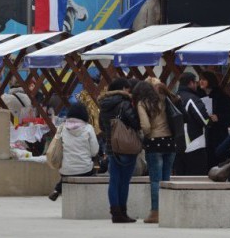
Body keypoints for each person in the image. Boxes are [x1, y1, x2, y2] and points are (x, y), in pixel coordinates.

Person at [132, 80, 176, 224]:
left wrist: (146, 135)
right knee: (166, 179)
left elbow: (145, 126)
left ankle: (156, 212)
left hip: (154, 143)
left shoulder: (142, 103)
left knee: (155, 180)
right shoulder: (165, 99)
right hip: (170, 142)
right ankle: (168, 210)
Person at [98, 78, 140, 223]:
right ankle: (123, 212)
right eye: (128, 88)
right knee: (124, 182)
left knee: (114, 181)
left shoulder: (103, 105)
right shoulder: (125, 103)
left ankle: (115, 212)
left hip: (111, 147)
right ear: (123, 88)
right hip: (126, 146)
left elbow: (102, 127)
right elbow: (135, 122)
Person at [48, 103, 99, 201]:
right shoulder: (88, 128)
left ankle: (57, 190)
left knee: (68, 173)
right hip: (85, 170)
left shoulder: (62, 128)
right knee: (92, 168)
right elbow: (94, 151)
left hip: (65, 170)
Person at [198, 70, 230, 168]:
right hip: (203, 133)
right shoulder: (198, 95)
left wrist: (219, 117)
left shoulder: (222, 96)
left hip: (218, 133)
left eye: (203, 79)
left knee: (217, 158)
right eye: (200, 79)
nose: (200, 82)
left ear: (210, 81)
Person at [175, 72, 210, 175]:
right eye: (195, 82)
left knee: (180, 179)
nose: (197, 84)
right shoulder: (192, 99)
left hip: (177, 145)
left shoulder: (173, 97)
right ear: (191, 83)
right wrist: (210, 119)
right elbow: (204, 120)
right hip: (194, 144)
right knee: (197, 178)